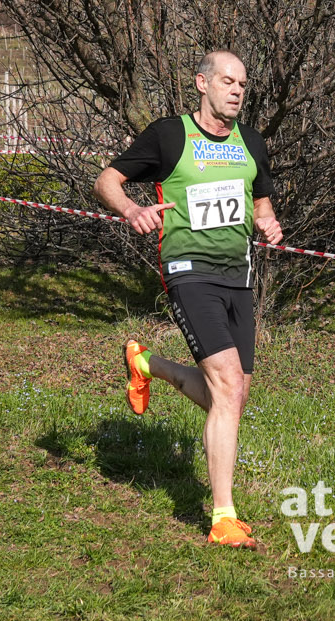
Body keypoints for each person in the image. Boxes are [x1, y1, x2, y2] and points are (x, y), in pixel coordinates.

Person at [95, 50, 283, 550]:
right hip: (189, 273)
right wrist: (131, 210)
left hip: (239, 277)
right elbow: (106, 180)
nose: (237, 90)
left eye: (242, 84)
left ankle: (147, 364)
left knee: (232, 394)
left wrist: (267, 220)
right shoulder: (170, 136)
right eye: (227, 81)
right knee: (227, 384)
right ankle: (223, 517)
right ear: (202, 83)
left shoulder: (251, 142)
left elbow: (260, 199)